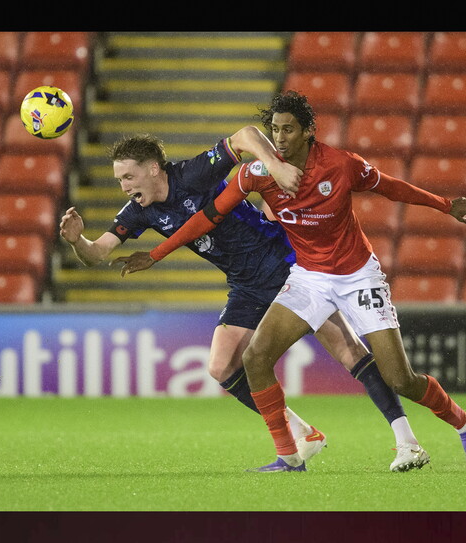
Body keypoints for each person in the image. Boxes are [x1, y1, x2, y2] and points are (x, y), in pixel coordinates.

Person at [116, 91, 466, 473]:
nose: (279, 138)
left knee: (400, 378)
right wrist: (155, 255)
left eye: (288, 130)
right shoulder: (258, 173)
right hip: (309, 277)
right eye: (274, 130)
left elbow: (391, 187)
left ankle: (465, 422)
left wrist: (446, 205)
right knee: (255, 358)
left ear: (308, 131)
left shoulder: (342, 165)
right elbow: (209, 216)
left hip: (357, 275)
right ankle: (290, 456)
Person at [59, 131, 434, 472]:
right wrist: (79, 242)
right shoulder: (138, 211)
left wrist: (272, 164)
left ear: (153, 169)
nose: (124, 186)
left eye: (128, 177)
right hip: (246, 284)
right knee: (221, 366)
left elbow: (246, 136)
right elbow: (98, 253)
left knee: (349, 352)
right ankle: (302, 434)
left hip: (285, 264)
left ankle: (407, 442)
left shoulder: (192, 173)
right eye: (119, 180)